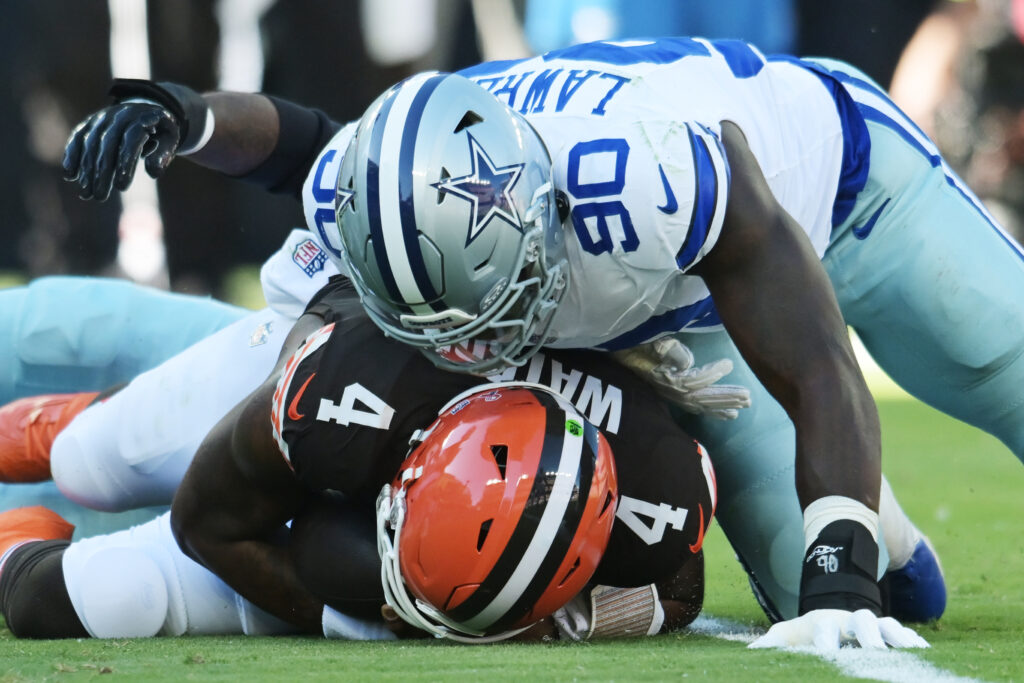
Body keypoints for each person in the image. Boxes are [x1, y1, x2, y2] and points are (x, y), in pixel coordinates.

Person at [59, 35, 990, 646]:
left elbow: (820, 357)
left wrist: (841, 565)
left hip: (828, 201)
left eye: (485, 317)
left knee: (868, 564)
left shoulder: (650, 185)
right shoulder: (375, 184)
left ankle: (874, 516)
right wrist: (186, 116)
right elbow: (298, 142)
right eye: (438, 329)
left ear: (542, 220)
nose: (474, 354)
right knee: (845, 600)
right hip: (651, 310)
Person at [0, 275, 716, 641]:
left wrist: (575, 612)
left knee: (78, 598)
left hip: (364, 473)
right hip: (291, 386)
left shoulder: (654, 492)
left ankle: (17, 532)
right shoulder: (347, 388)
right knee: (86, 461)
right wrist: (344, 618)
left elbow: (682, 582)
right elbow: (206, 524)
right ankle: (63, 423)